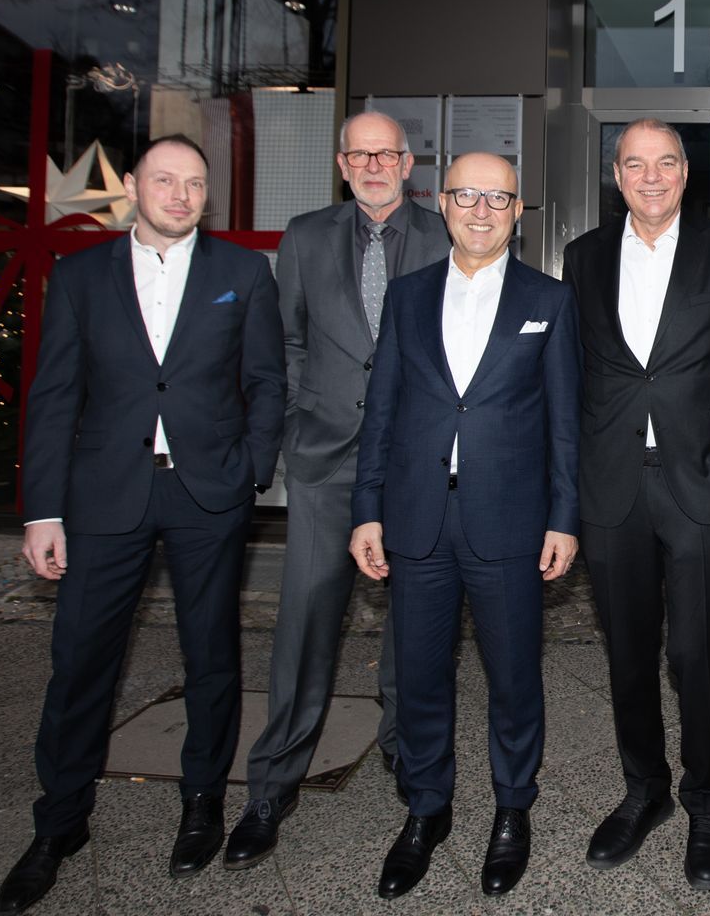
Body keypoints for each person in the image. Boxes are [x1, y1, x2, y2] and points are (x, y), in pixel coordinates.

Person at [0, 134, 286, 913]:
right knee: (81, 659)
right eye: (165, 180)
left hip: (207, 495)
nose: (182, 195)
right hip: (103, 497)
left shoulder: (242, 273)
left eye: (194, 184)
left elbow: (265, 379)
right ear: (132, 186)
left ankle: (201, 804)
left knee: (212, 656)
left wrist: (250, 470)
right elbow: (55, 394)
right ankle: (59, 824)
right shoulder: (82, 275)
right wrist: (43, 510)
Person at [348, 151, 580, 900]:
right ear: (442, 203)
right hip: (417, 518)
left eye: (498, 198)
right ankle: (427, 808)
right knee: (418, 677)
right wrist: (367, 510)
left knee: (514, 679)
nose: (481, 210)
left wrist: (564, 518)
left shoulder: (551, 298)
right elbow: (380, 411)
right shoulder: (409, 297)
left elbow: (565, 423)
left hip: (509, 522)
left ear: (519, 212)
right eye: (467, 196)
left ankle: (513, 808)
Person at [224, 111, 450, 868]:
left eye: (387, 152)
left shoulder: (445, 233)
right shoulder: (306, 236)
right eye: (360, 153)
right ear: (342, 163)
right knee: (305, 623)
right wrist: (293, 427)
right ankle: (271, 783)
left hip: (416, 461)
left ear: (409, 161)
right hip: (324, 462)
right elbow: (284, 342)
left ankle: (404, 751)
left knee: (411, 622)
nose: (374, 164)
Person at [561, 118, 710, 890]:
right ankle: (645, 792)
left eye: (665, 163)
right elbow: (574, 374)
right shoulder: (582, 257)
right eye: (634, 164)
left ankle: (708, 800)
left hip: (701, 481)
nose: (650, 177)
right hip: (612, 484)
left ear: (686, 172)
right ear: (616, 175)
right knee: (629, 652)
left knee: (699, 656)